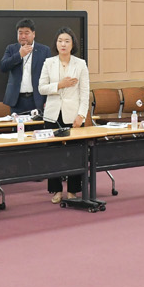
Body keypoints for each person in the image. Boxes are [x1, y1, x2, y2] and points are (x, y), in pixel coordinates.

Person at [39, 27, 90, 202]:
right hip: (52, 115)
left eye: (67, 41)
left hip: (73, 115)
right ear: (56, 44)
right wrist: (59, 85)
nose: (63, 44)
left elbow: (84, 93)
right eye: (60, 41)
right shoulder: (49, 63)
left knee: (75, 153)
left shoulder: (80, 64)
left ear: (72, 44)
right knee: (53, 153)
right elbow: (41, 88)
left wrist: (81, 115)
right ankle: (56, 190)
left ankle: (73, 190)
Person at [0, 19, 52, 116]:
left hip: (37, 99)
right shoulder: (11, 49)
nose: (23, 36)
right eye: (20, 33)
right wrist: (19, 55)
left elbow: (50, 76)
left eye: (26, 33)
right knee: (17, 125)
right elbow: (3, 67)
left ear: (33, 34)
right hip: (17, 100)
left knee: (37, 125)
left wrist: (47, 99)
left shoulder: (44, 50)